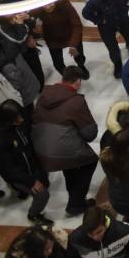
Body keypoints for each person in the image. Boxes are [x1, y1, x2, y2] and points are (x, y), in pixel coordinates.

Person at [32, 67, 99, 217]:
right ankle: (76, 203)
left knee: (69, 165)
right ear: (78, 81)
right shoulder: (76, 101)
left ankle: (75, 198)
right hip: (61, 149)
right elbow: (90, 134)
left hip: (41, 147)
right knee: (89, 161)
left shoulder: (44, 94)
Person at [0, 100, 51, 226]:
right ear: (8, 120)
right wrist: (31, 181)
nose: (21, 119)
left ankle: (21, 190)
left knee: (45, 183)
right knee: (42, 195)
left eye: (20, 115)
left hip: (32, 167)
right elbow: (8, 169)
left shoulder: (21, 126)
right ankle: (33, 215)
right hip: (19, 174)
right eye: (17, 117)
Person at [81, 0, 129, 79]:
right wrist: (100, 20)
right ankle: (118, 65)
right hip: (106, 26)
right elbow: (85, 13)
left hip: (122, 19)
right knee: (113, 49)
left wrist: (125, 8)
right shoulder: (95, 0)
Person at [34, 0, 87, 77]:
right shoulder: (37, 8)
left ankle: (81, 67)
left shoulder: (65, 5)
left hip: (70, 34)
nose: (48, 7)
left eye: (51, 2)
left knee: (79, 56)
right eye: (44, 4)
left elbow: (77, 26)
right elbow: (28, 15)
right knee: (58, 63)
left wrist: (73, 44)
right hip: (52, 38)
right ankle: (67, 77)